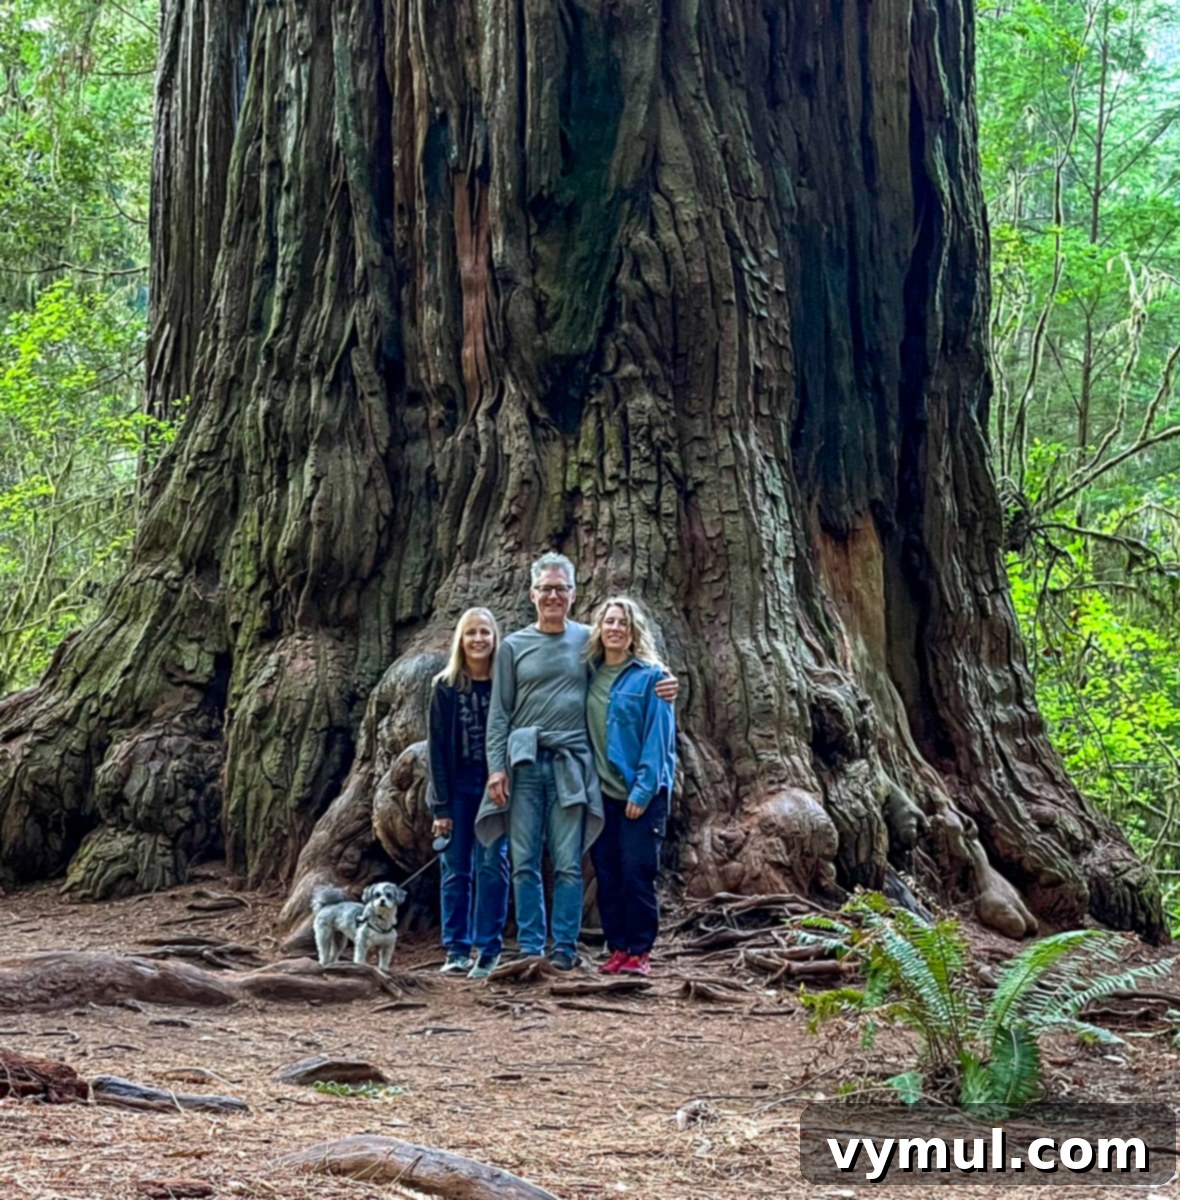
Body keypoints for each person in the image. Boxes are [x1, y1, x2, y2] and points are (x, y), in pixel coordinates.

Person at [476, 553, 676, 971]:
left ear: (572, 593)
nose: (553, 595)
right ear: (532, 594)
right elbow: (499, 712)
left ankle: (565, 947)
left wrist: (665, 678)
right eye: (545, 588)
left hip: (573, 766)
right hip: (525, 767)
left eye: (560, 588)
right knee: (526, 862)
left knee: (569, 862)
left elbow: (629, 671)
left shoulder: (588, 642)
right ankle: (532, 947)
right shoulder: (513, 646)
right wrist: (497, 767)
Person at [585, 597, 676, 976]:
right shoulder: (588, 673)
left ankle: (640, 952)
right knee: (608, 873)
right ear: (599, 628)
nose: (616, 628)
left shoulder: (652, 677)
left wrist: (642, 790)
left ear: (633, 631)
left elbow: (659, 739)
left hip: (641, 794)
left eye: (623, 623)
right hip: (601, 793)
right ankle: (617, 946)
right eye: (609, 622)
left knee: (637, 872)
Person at [427, 608, 511, 979]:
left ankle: (489, 948)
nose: (478, 639)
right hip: (458, 788)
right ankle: (457, 949)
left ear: (495, 639)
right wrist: (441, 806)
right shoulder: (444, 687)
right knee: (455, 869)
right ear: (460, 640)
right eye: (470, 633)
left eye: (485, 633)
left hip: (496, 786)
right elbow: (436, 752)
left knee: (493, 865)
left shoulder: (505, 686)